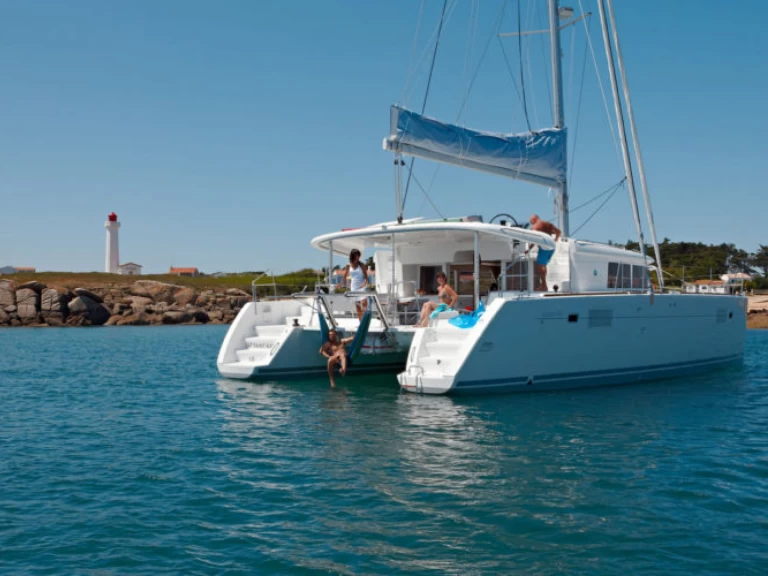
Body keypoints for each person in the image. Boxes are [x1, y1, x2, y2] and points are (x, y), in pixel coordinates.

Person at [529, 214, 561, 292]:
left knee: (540, 266)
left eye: (531, 222)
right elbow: (558, 232)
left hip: (544, 247)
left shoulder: (535, 227)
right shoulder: (548, 224)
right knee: (543, 265)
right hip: (552, 246)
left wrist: (528, 249)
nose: (531, 224)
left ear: (533, 220)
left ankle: (544, 286)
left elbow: (533, 241)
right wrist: (556, 239)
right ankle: (543, 285)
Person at [342, 248, 369, 320]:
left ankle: (363, 318)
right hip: (354, 287)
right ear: (353, 255)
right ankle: (360, 321)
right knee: (357, 306)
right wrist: (341, 283)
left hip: (362, 286)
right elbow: (345, 275)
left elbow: (366, 277)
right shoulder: (348, 265)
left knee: (364, 304)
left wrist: (364, 283)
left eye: (358, 255)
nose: (358, 257)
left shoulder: (362, 265)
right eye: (357, 255)